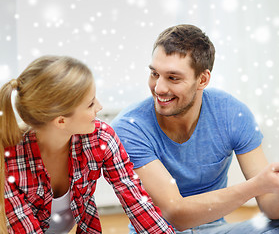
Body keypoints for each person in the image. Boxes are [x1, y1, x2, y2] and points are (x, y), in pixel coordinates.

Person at [111, 24, 279, 234]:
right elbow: (176, 213)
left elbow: (272, 208)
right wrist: (256, 185)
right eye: (154, 74)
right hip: (160, 232)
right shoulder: (130, 127)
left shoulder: (231, 113)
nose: (159, 88)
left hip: (214, 230)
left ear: (202, 79)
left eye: (173, 78)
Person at [0, 55, 174, 234]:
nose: (99, 107)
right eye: (90, 104)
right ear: (61, 121)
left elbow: (135, 199)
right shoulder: (9, 158)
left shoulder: (100, 138)